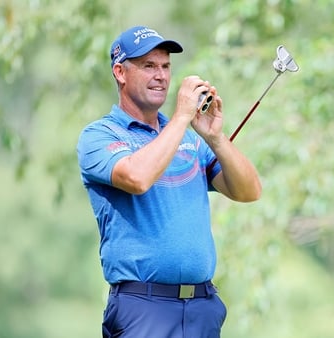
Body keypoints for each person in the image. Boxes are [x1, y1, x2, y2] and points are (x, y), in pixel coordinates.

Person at [76, 25, 262, 338]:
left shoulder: (190, 140)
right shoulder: (99, 136)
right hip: (144, 308)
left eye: (166, 66)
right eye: (149, 66)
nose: (161, 76)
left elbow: (249, 191)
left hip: (202, 307)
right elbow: (137, 178)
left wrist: (215, 138)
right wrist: (180, 118)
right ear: (120, 72)